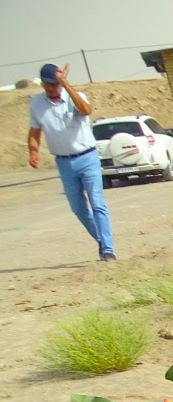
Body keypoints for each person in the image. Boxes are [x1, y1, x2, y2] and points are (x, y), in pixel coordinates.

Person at [25, 63, 115, 262]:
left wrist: (66, 84)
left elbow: (86, 110)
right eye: (51, 84)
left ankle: (108, 249)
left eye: (57, 83)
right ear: (43, 84)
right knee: (78, 209)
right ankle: (101, 240)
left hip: (87, 157)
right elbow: (34, 132)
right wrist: (33, 152)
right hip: (64, 162)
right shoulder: (37, 103)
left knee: (97, 203)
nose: (54, 87)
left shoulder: (74, 96)